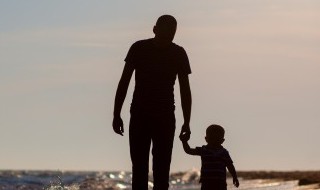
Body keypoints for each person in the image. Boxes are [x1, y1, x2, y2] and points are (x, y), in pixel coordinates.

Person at [112, 15, 192, 190]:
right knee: (139, 169)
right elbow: (124, 81)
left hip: (165, 117)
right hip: (140, 115)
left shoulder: (178, 53)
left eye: (172, 34)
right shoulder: (138, 48)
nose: (168, 37)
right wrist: (116, 114)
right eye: (165, 33)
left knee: (162, 172)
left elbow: (185, 90)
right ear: (155, 30)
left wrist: (187, 121)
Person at [179, 124, 239, 190]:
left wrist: (235, 177)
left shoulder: (224, 152)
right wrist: (184, 142)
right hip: (206, 183)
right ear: (206, 139)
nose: (214, 141)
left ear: (222, 141)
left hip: (220, 183)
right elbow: (189, 151)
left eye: (217, 139)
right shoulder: (203, 150)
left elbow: (230, 166)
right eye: (212, 138)